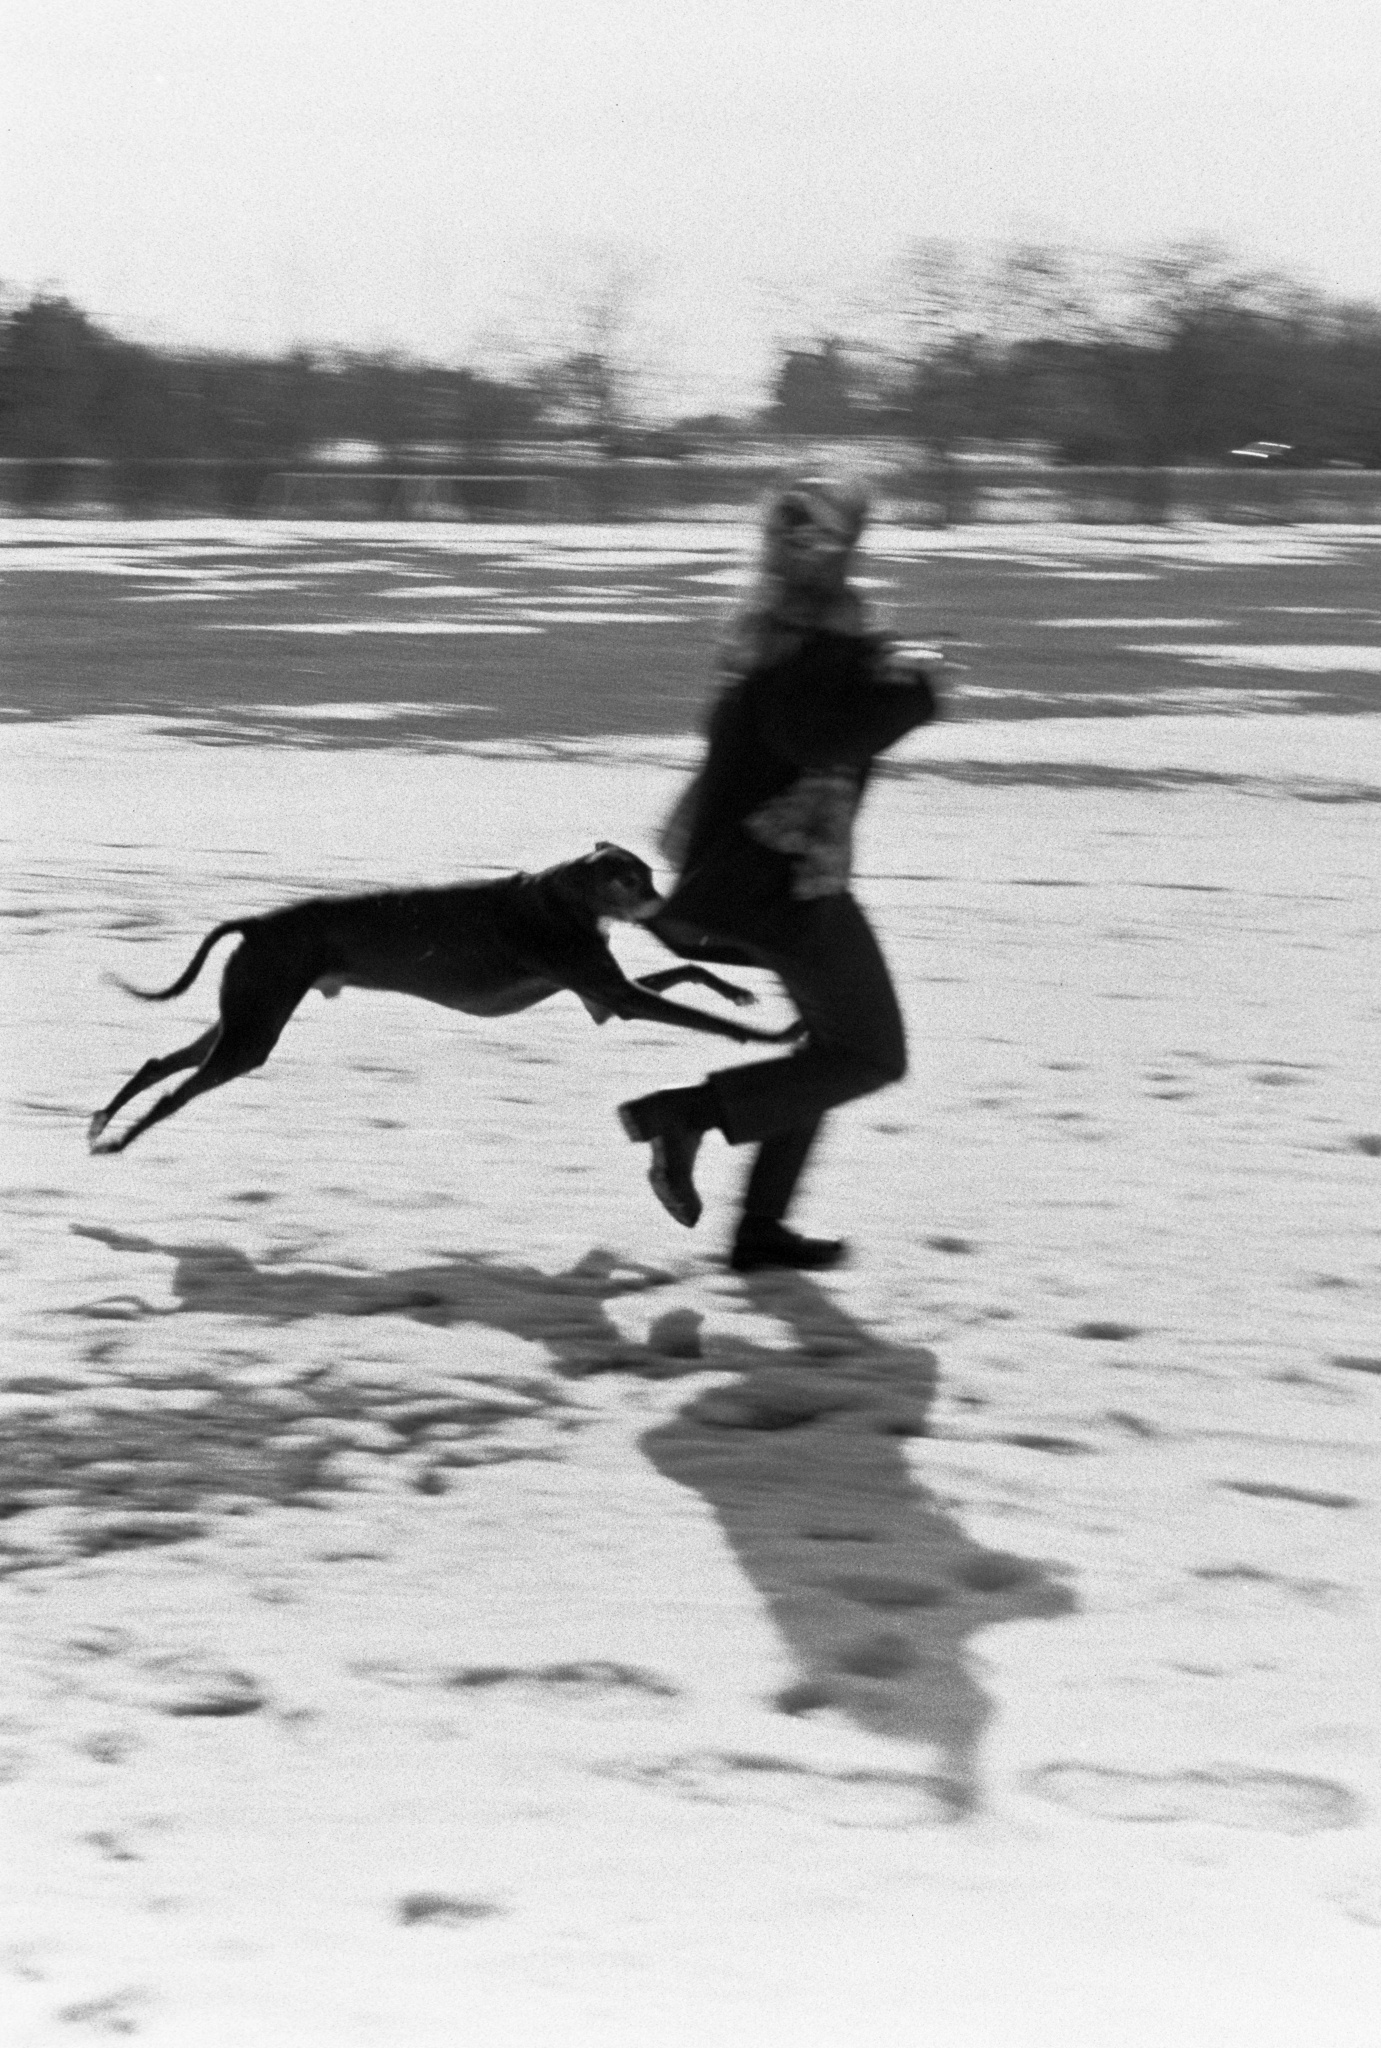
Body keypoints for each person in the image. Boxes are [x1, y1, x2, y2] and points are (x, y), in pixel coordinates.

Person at [618, 474, 941, 1272]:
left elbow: (795, 733)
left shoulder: (772, 622)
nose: (840, 551)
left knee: (829, 1053)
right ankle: (687, 1116)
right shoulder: (809, 627)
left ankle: (759, 1230)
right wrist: (912, 698)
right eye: (836, 537)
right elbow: (811, 739)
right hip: (784, 882)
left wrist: (880, 674)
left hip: (768, 873)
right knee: (870, 1054)